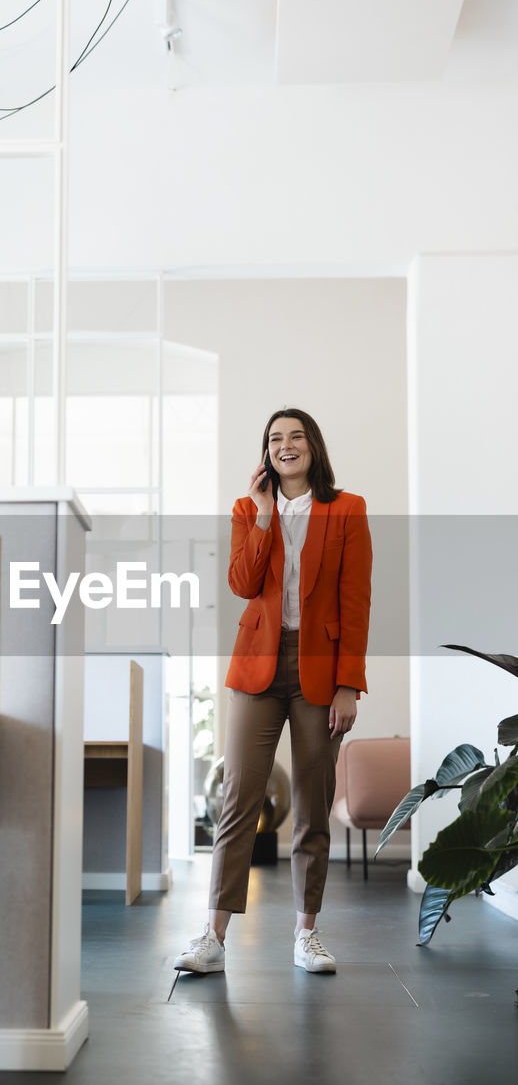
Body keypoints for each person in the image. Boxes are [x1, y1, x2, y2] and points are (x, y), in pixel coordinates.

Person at [175, 408, 372, 976]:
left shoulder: (347, 509)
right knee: (238, 798)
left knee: (312, 805)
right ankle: (213, 936)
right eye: (275, 439)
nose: (286, 446)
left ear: (313, 446)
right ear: (267, 452)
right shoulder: (247, 509)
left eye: (296, 436)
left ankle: (306, 934)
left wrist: (347, 686)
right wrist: (263, 516)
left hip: (321, 669)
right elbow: (242, 583)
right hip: (257, 666)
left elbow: (356, 602)